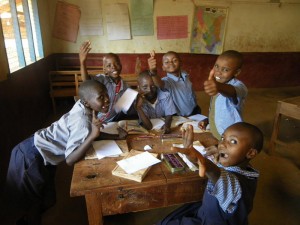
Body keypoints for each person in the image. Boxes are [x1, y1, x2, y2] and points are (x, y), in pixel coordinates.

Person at [2, 80, 124, 225]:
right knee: (31, 205)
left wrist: (115, 136)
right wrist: (93, 136)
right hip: (31, 156)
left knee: (48, 200)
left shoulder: (86, 108)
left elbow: (90, 131)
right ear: (86, 102)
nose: (107, 100)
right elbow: (70, 160)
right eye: (101, 97)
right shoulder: (82, 122)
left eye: (106, 95)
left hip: (40, 152)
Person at [156, 122, 264, 225]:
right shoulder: (247, 170)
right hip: (210, 212)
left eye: (233, 141)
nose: (222, 145)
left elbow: (219, 175)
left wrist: (201, 160)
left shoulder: (234, 184)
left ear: (250, 153)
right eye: (223, 138)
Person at [79, 41, 136, 122]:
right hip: (94, 120)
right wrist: (82, 62)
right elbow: (86, 82)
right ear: (104, 70)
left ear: (121, 65)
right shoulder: (102, 79)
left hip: (110, 122)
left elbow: (124, 110)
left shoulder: (126, 87)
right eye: (109, 66)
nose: (114, 67)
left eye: (117, 63)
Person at [200, 50, 247, 140]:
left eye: (225, 69)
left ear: (237, 72)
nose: (218, 72)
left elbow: (233, 91)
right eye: (216, 66)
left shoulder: (239, 87)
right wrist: (208, 120)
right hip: (216, 133)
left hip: (229, 138)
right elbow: (217, 110)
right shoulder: (216, 84)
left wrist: (218, 86)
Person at [148, 51, 201, 117]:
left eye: (174, 60)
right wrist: (153, 72)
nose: (171, 63)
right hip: (182, 117)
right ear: (163, 68)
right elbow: (159, 84)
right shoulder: (167, 81)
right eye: (167, 62)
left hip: (195, 111)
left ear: (180, 63)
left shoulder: (185, 74)